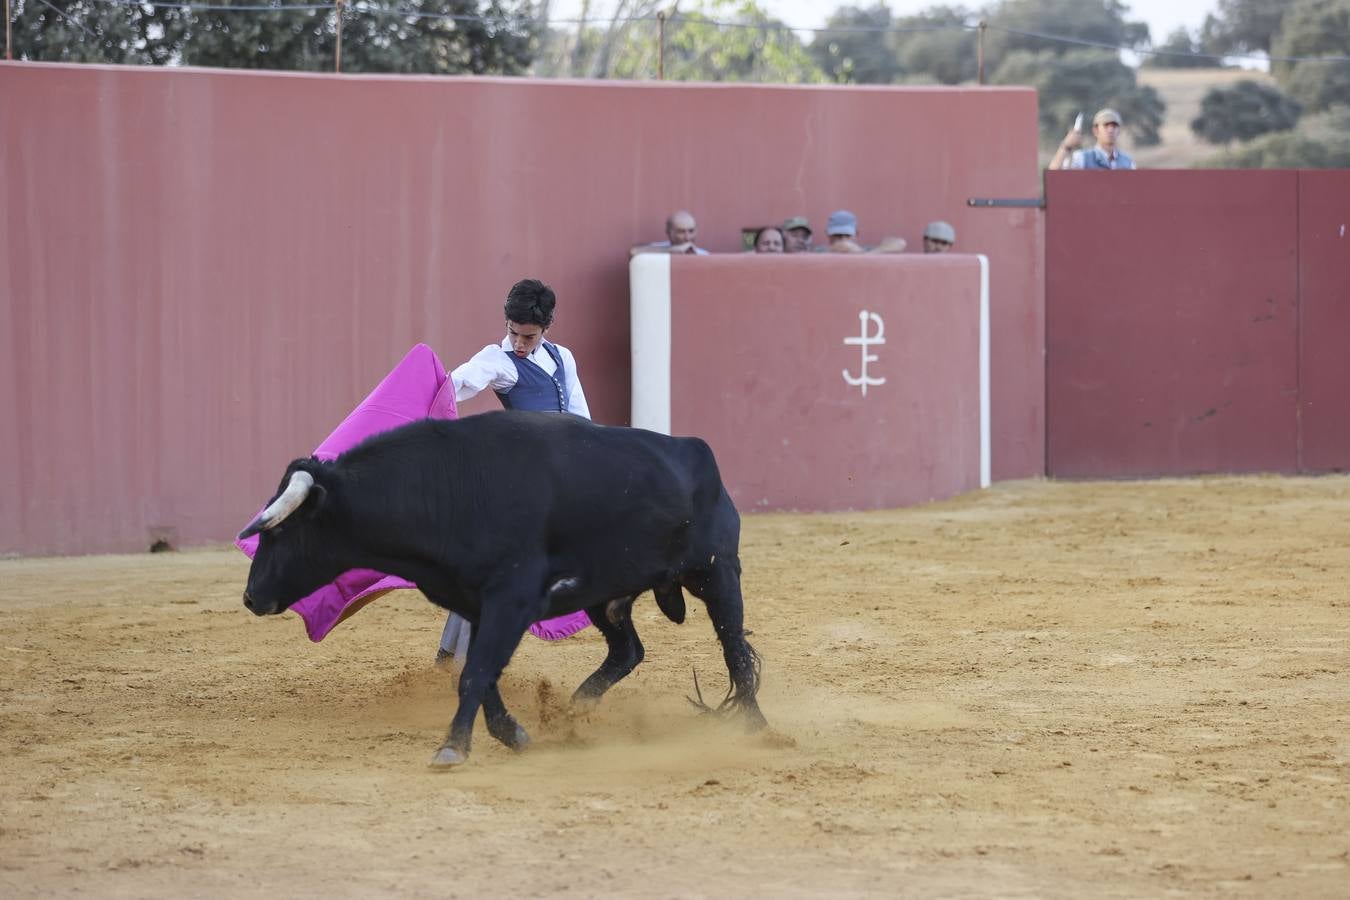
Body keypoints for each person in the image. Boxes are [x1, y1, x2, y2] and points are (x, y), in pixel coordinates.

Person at [436, 278, 591, 667]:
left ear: (546, 329)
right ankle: (464, 659)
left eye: (529, 336)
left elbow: (580, 417)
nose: (519, 342)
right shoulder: (499, 359)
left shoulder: (561, 358)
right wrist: (428, 392)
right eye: (513, 332)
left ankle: (452, 654)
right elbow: (461, 382)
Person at [1050, 108, 1136, 171]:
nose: (1111, 130)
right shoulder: (1082, 157)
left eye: (1114, 126)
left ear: (1119, 130)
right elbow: (1055, 176)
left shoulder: (1127, 161)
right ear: (1096, 130)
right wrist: (1066, 146)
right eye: (1106, 125)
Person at [631, 209, 711, 256]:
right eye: (681, 232)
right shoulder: (659, 248)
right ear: (669, 232)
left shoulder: (703, 255)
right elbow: (634, 251)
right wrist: (671, 250)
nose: (687, 237)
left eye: (691, 231)